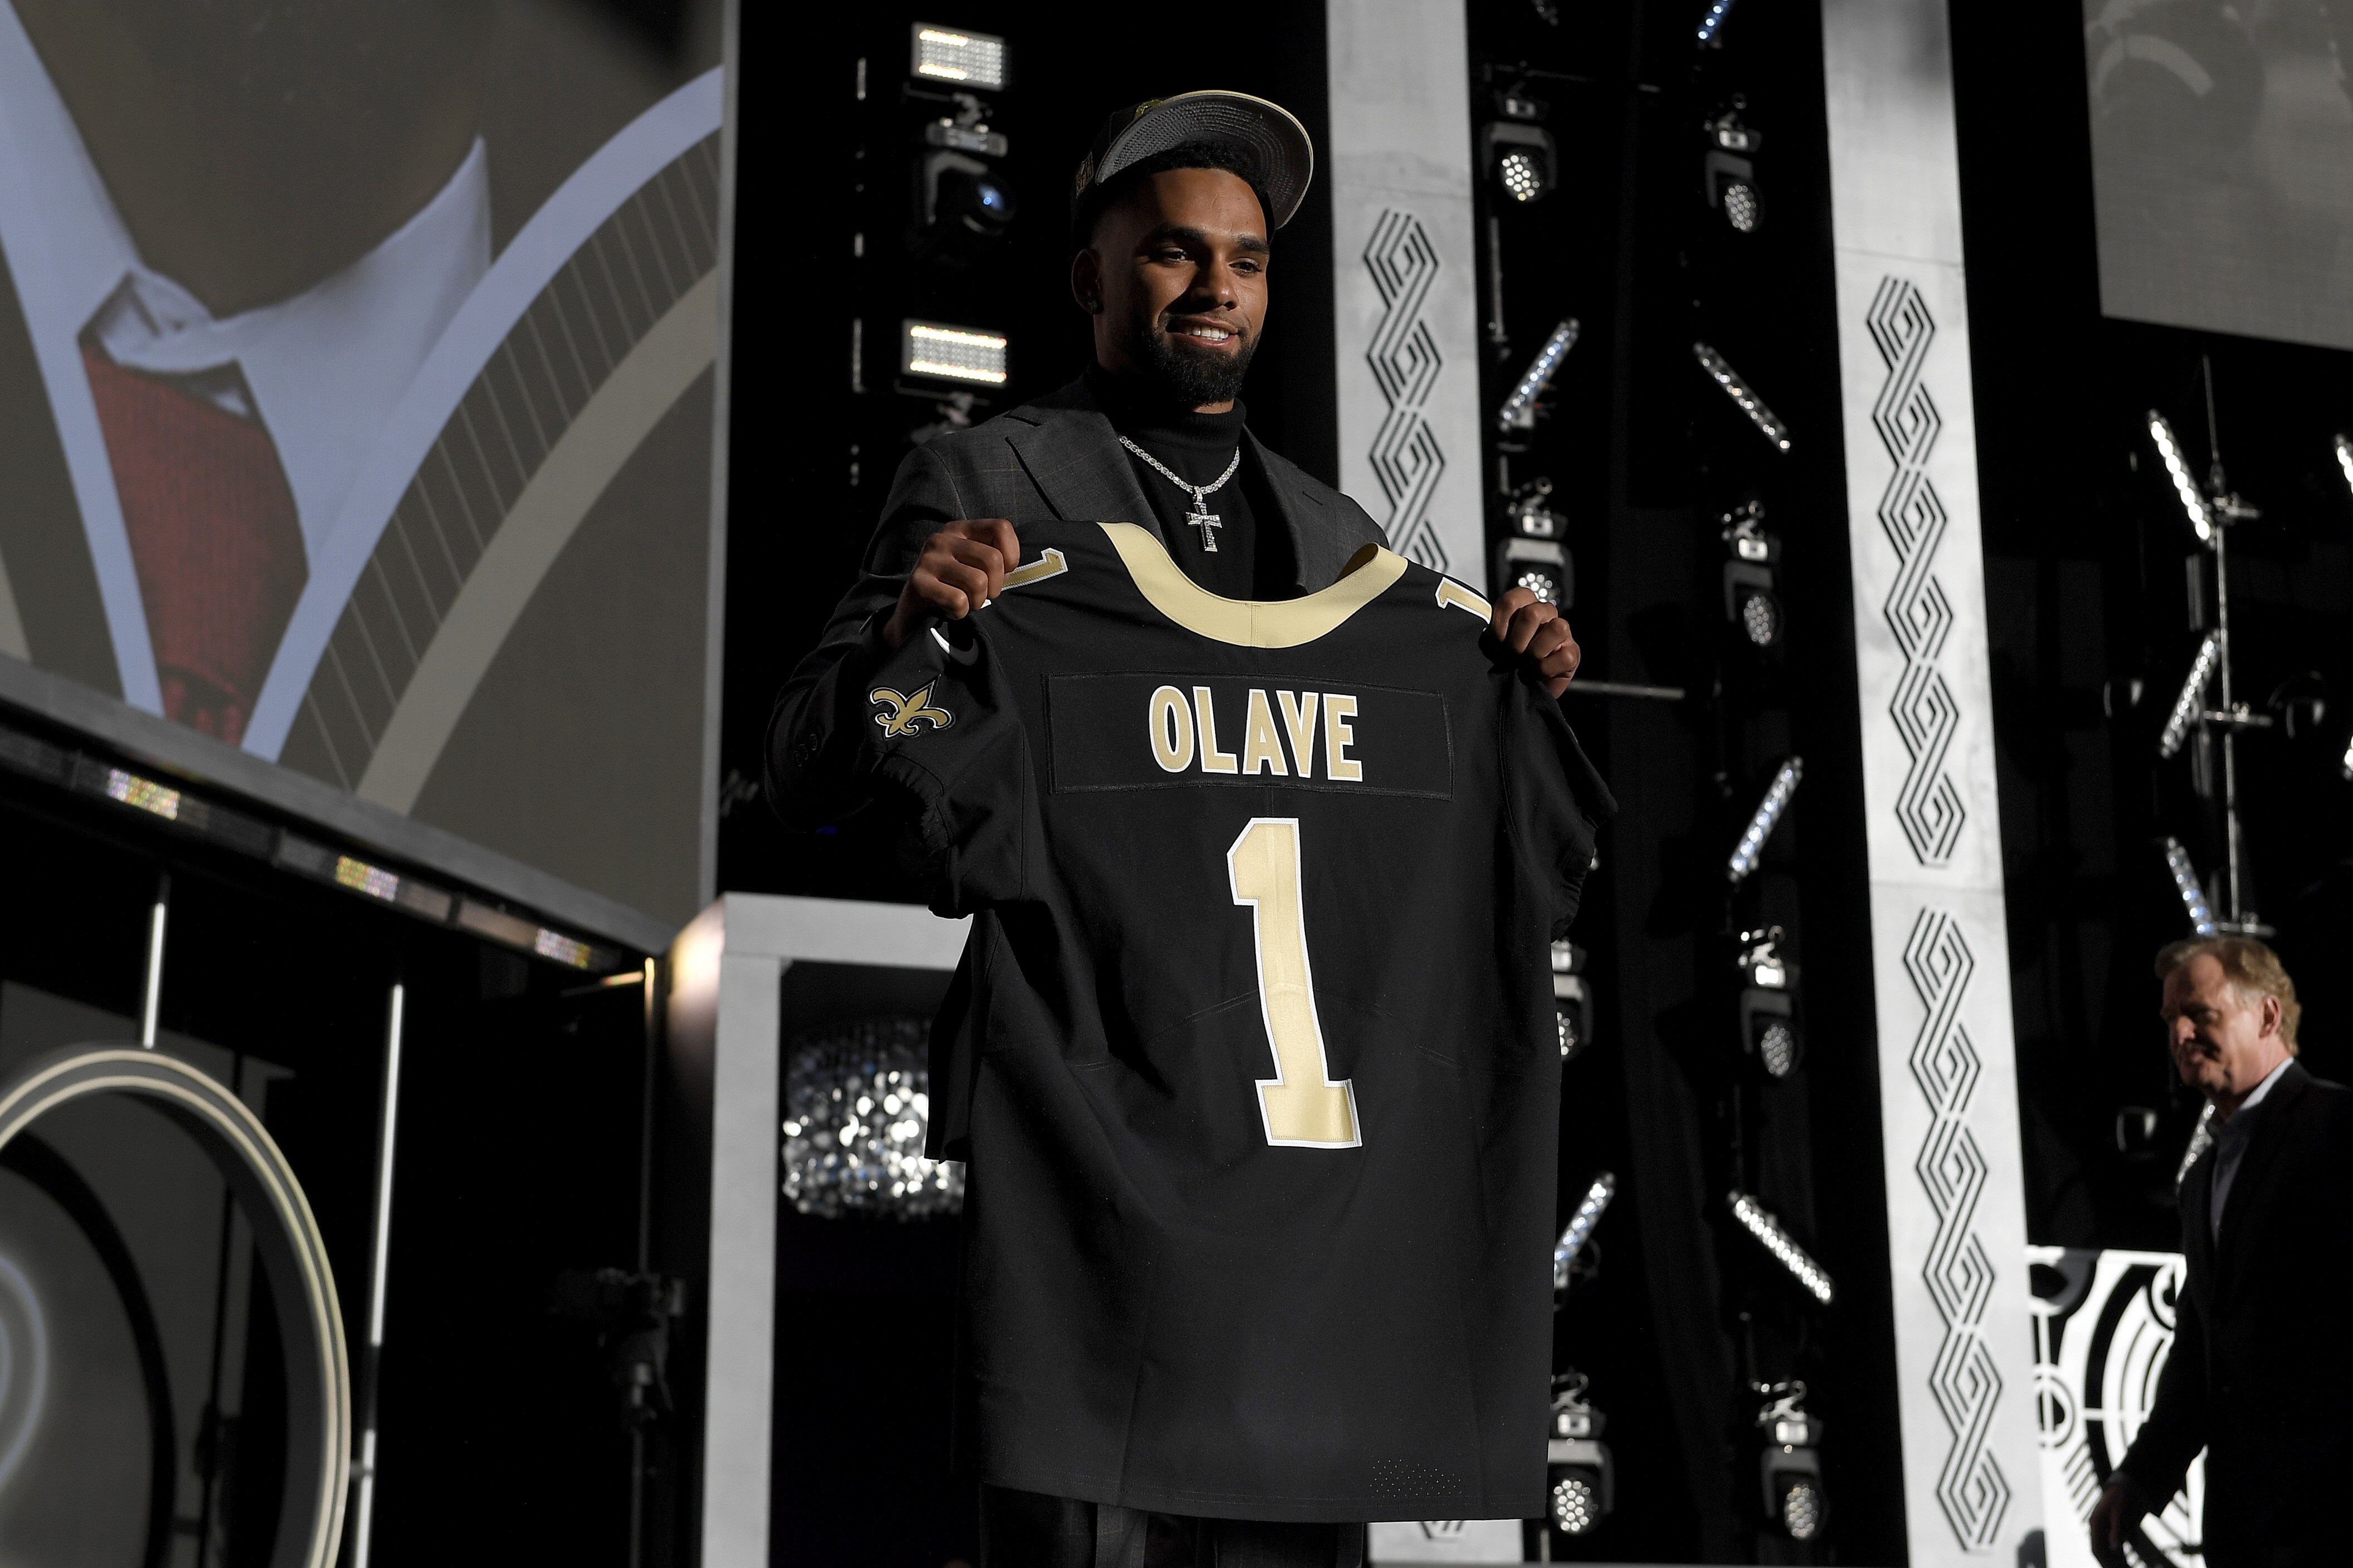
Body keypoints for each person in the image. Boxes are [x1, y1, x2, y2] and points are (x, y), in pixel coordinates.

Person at [767, 92, 1589, 1568]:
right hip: (1085, 1162)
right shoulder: (981, 481)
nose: (1214, 285)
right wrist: (904, 634)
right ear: (1088, 275)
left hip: (1293, 1207)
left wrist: (1506, 679)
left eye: (1246, 260)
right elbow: (799, 767)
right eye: (1170, 255)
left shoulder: (1341, 542)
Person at [2088, 937, 2353, 1567]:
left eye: (2200, 1013)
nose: (2179, 1032)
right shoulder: (2201, 1178)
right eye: (2170, 1020)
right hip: (2244, 1534)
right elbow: (2199, 1359)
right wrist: (2138, 1480)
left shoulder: (2338, 1128)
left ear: (2266, 1015)